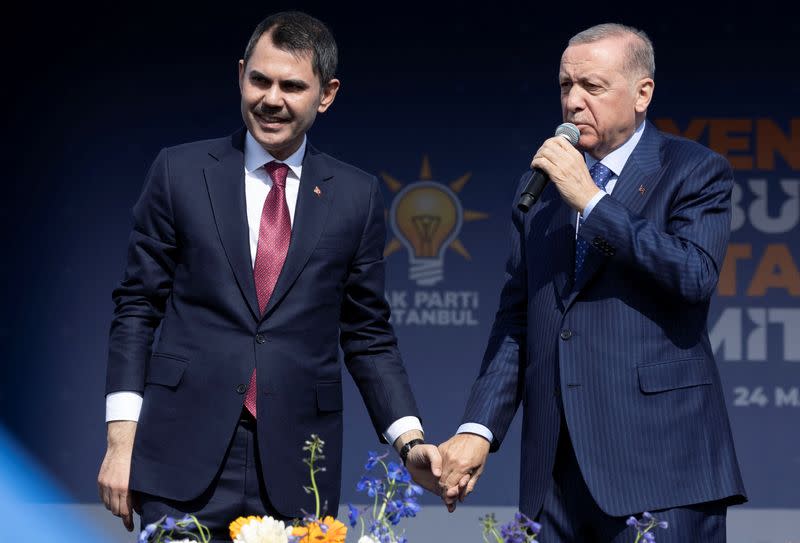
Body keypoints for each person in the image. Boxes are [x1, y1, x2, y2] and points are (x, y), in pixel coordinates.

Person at [97, 11, 441, 540]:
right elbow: (137, 308)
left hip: (297, 467)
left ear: (326, 95)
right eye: (260, 80)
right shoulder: (179, 172)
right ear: (241, 76)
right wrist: (122, 444)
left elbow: (368, 334)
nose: (271, 99)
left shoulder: (357, 196)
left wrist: (409, 439)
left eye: (292, 86)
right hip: (177, 456)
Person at [438, 23, 746, 541]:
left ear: (642, 93)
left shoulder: (693, 170)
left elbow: (693, 275)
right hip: (554, 474)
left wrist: (593, 204)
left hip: (662, 468)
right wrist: (478, 429)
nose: (574, 102)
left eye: (593, 87)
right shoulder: (540, 188)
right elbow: (519, 319)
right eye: (565, 86)